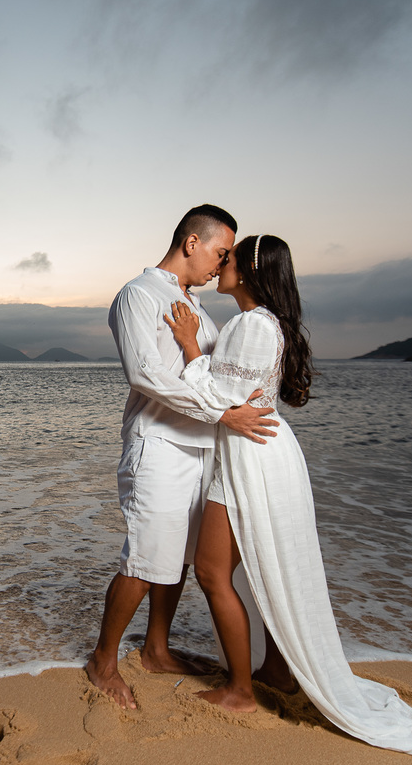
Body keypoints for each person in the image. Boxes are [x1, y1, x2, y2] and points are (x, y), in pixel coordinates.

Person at [164, 234, 412, 765]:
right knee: (266, 569)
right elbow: (234, 389)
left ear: (247, 272)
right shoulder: (263, 323)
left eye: (228, 259)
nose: (219, 265)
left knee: (210, 571)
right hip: (261, 452)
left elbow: (221, 398)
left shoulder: (252, 325)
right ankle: (276, 670)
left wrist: (187, 346)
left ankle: (241, 693)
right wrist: (202, 350)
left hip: (252, 456)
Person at [85, 205, 280, 711]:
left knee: (179, 560)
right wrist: (222, 415)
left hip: (203, 450)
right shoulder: (139, 295)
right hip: (159, 445)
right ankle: (103, 660)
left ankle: (155, 649)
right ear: (192, 243)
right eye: (220, 252)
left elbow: (213, 372)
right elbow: (145, 375)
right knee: (147, 557)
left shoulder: (192, 302)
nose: (222, 263)